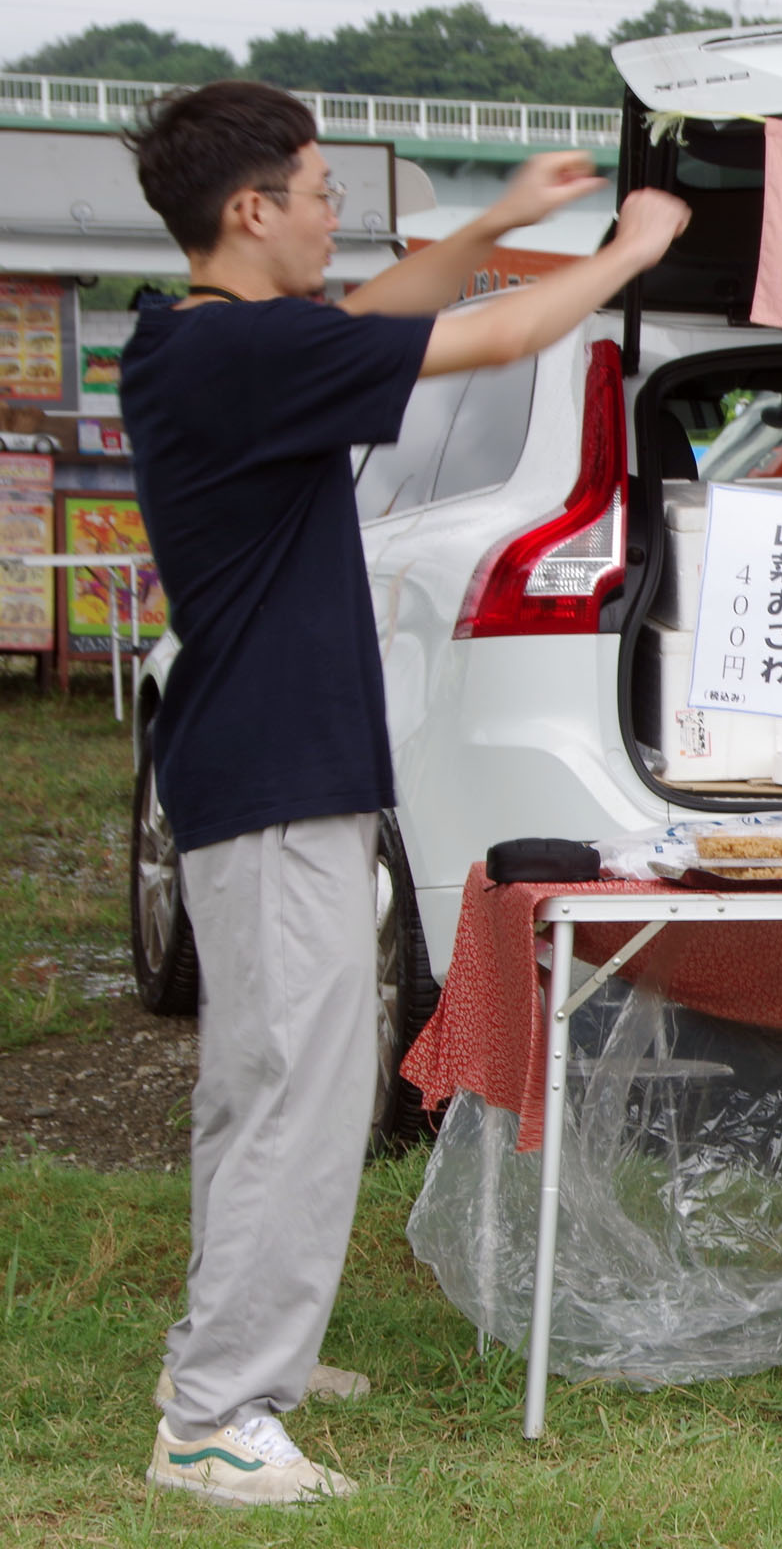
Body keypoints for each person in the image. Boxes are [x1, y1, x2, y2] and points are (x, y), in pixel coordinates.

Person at [120, 80, 689, 1507]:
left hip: (260, 765)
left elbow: (382, 308)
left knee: (265, 1078)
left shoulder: (200, 336)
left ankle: (243, 1347)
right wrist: (628, 252)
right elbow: (489, 333)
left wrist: (501, 219)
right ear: (251, 212)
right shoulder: (245, 355)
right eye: (315, 192)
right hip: (273, 774)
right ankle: (215, 1417)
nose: (333, 216)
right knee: (301, 1093)